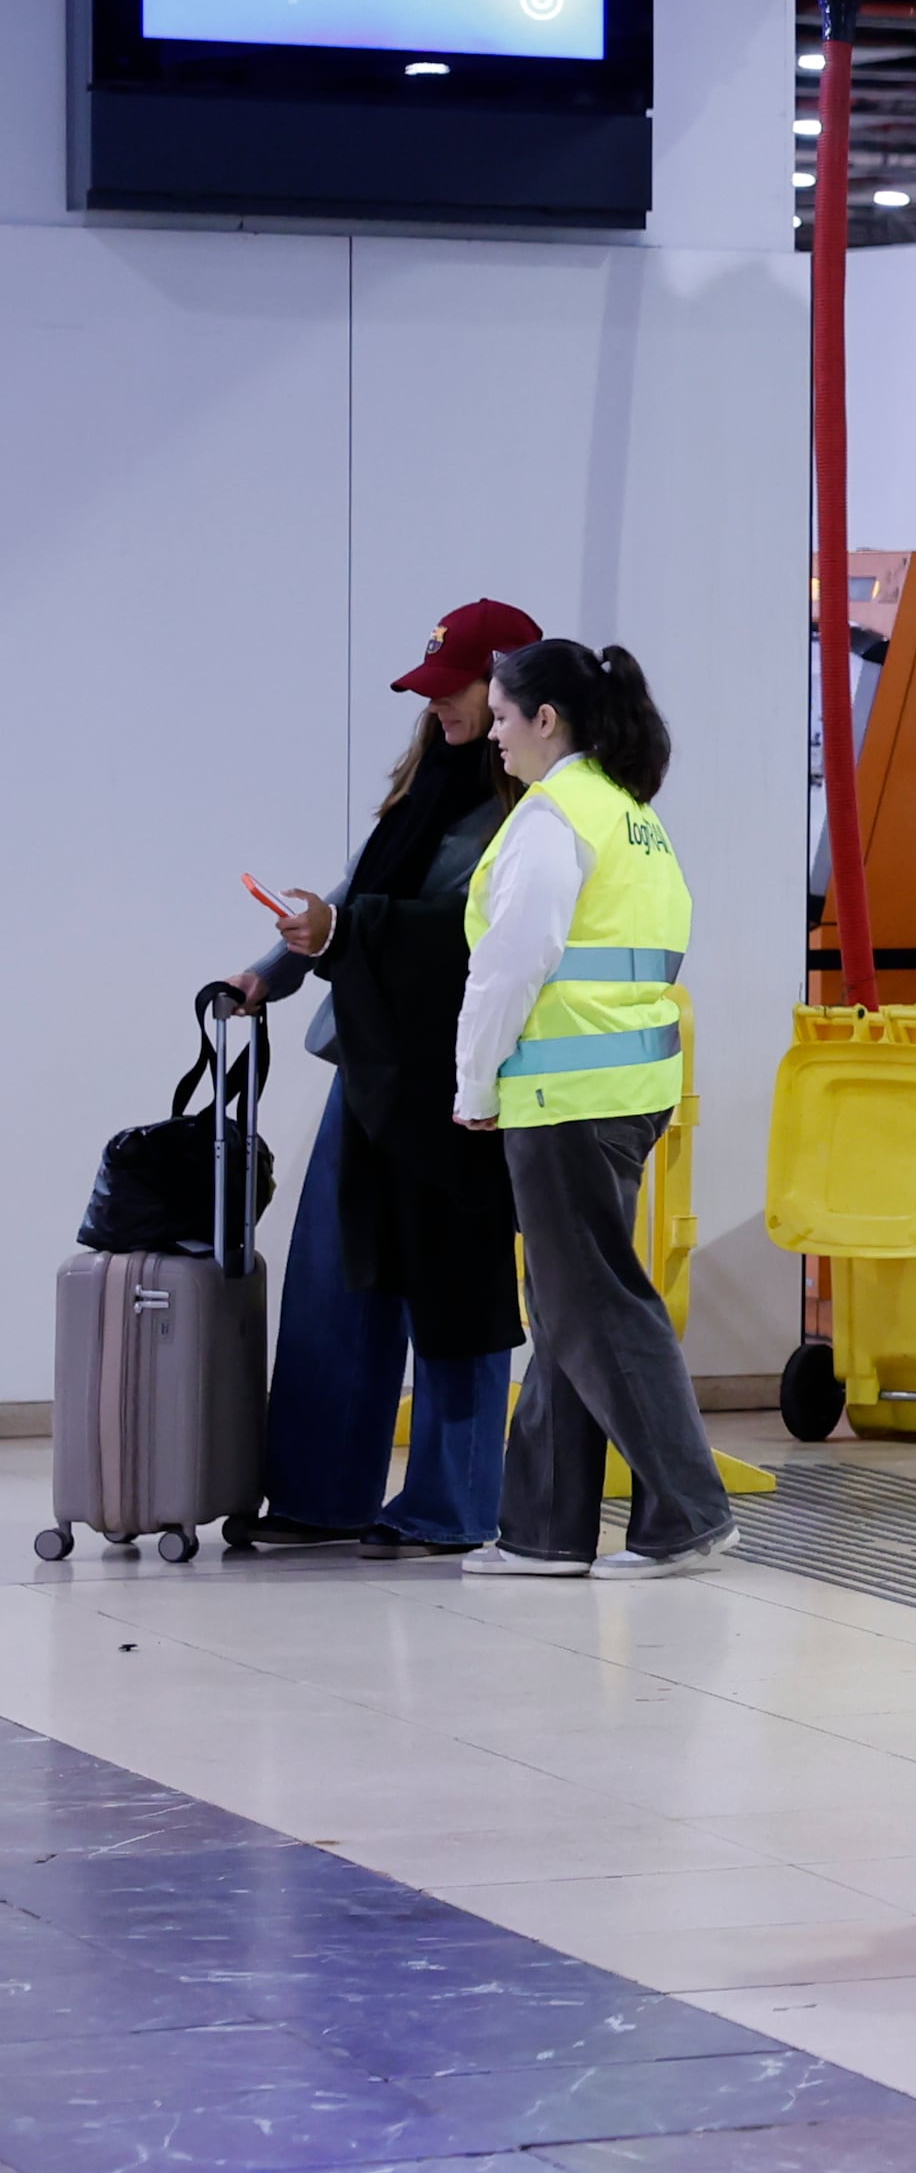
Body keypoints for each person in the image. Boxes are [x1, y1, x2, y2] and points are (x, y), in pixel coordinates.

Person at [224, 600, 534, 1555]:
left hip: (456, 1085)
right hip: (366, 1063)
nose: (438, 707)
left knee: (455, 1291)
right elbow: (350, 900)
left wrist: (345, 932)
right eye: (431, 690)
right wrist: (267, 976)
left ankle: (453, 1506)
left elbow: (474, 940)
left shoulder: (530, 812)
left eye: (457, 690)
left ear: (511, 692)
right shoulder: (419, 794)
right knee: (334, 1282)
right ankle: (321, 1494)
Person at [452, 639, 726, 1580]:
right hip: (625, 1089)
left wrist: (473, 1084)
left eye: (500, 715)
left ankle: (687, 1512)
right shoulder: (630, 816)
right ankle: (545, 1529)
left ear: (546, 719)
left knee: (594, 1304)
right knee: (570, 1304)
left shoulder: (553, 816)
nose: (491, 733)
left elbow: (511, 966)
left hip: (567, 1094)